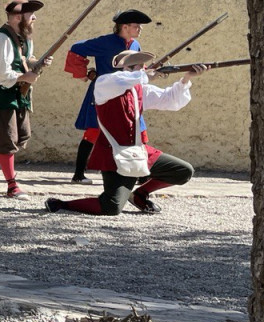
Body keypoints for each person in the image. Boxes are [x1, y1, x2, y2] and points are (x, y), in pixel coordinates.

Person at [46, 50, 207, 216]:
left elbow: (171, 100)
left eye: (143, 65)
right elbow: (121, 80)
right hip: (113, 153)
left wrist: (187, 78)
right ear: (127, 68)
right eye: (139, 65)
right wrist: (144, 76)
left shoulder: (139, 87)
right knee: (111, 207)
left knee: (183, 171)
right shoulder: (105, 82)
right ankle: (62, 204)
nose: (143, 68)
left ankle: (140, 194)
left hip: (137, 151)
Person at [0, 0, 53, 201]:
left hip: (16, 92)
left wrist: (39, 62)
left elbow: (26, 59)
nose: (35, 18)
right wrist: (25, 77)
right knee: (6, 140)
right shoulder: (1, 38)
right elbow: (0, 72)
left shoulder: (24, 37)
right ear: (18, 17)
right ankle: (12, 186)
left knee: (20, 136)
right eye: (30, 14)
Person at [64, 9, 152, 184]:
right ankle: (79, 174)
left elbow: (137, 70)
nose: (140, 29)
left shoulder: (135, 45)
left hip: (127, 95)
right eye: (136, 26)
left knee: (138, 131)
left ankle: (142, 175)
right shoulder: (104, 42)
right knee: (93, 132)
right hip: (104, 94)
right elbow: (76, 49)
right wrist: (82, 73)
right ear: (125, 27)